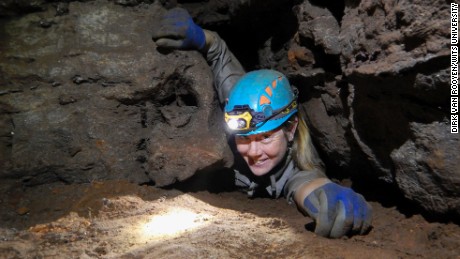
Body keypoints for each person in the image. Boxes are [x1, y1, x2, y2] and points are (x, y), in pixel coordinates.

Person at [152, 7, 372, 238]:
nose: (254, 152)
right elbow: (218, 52)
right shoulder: (241, 103)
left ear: (290, 129)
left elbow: (306, 182)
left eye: (266, 137)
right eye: (244, 138)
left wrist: (325, 193)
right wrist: (200, 37)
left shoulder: (297, 167)